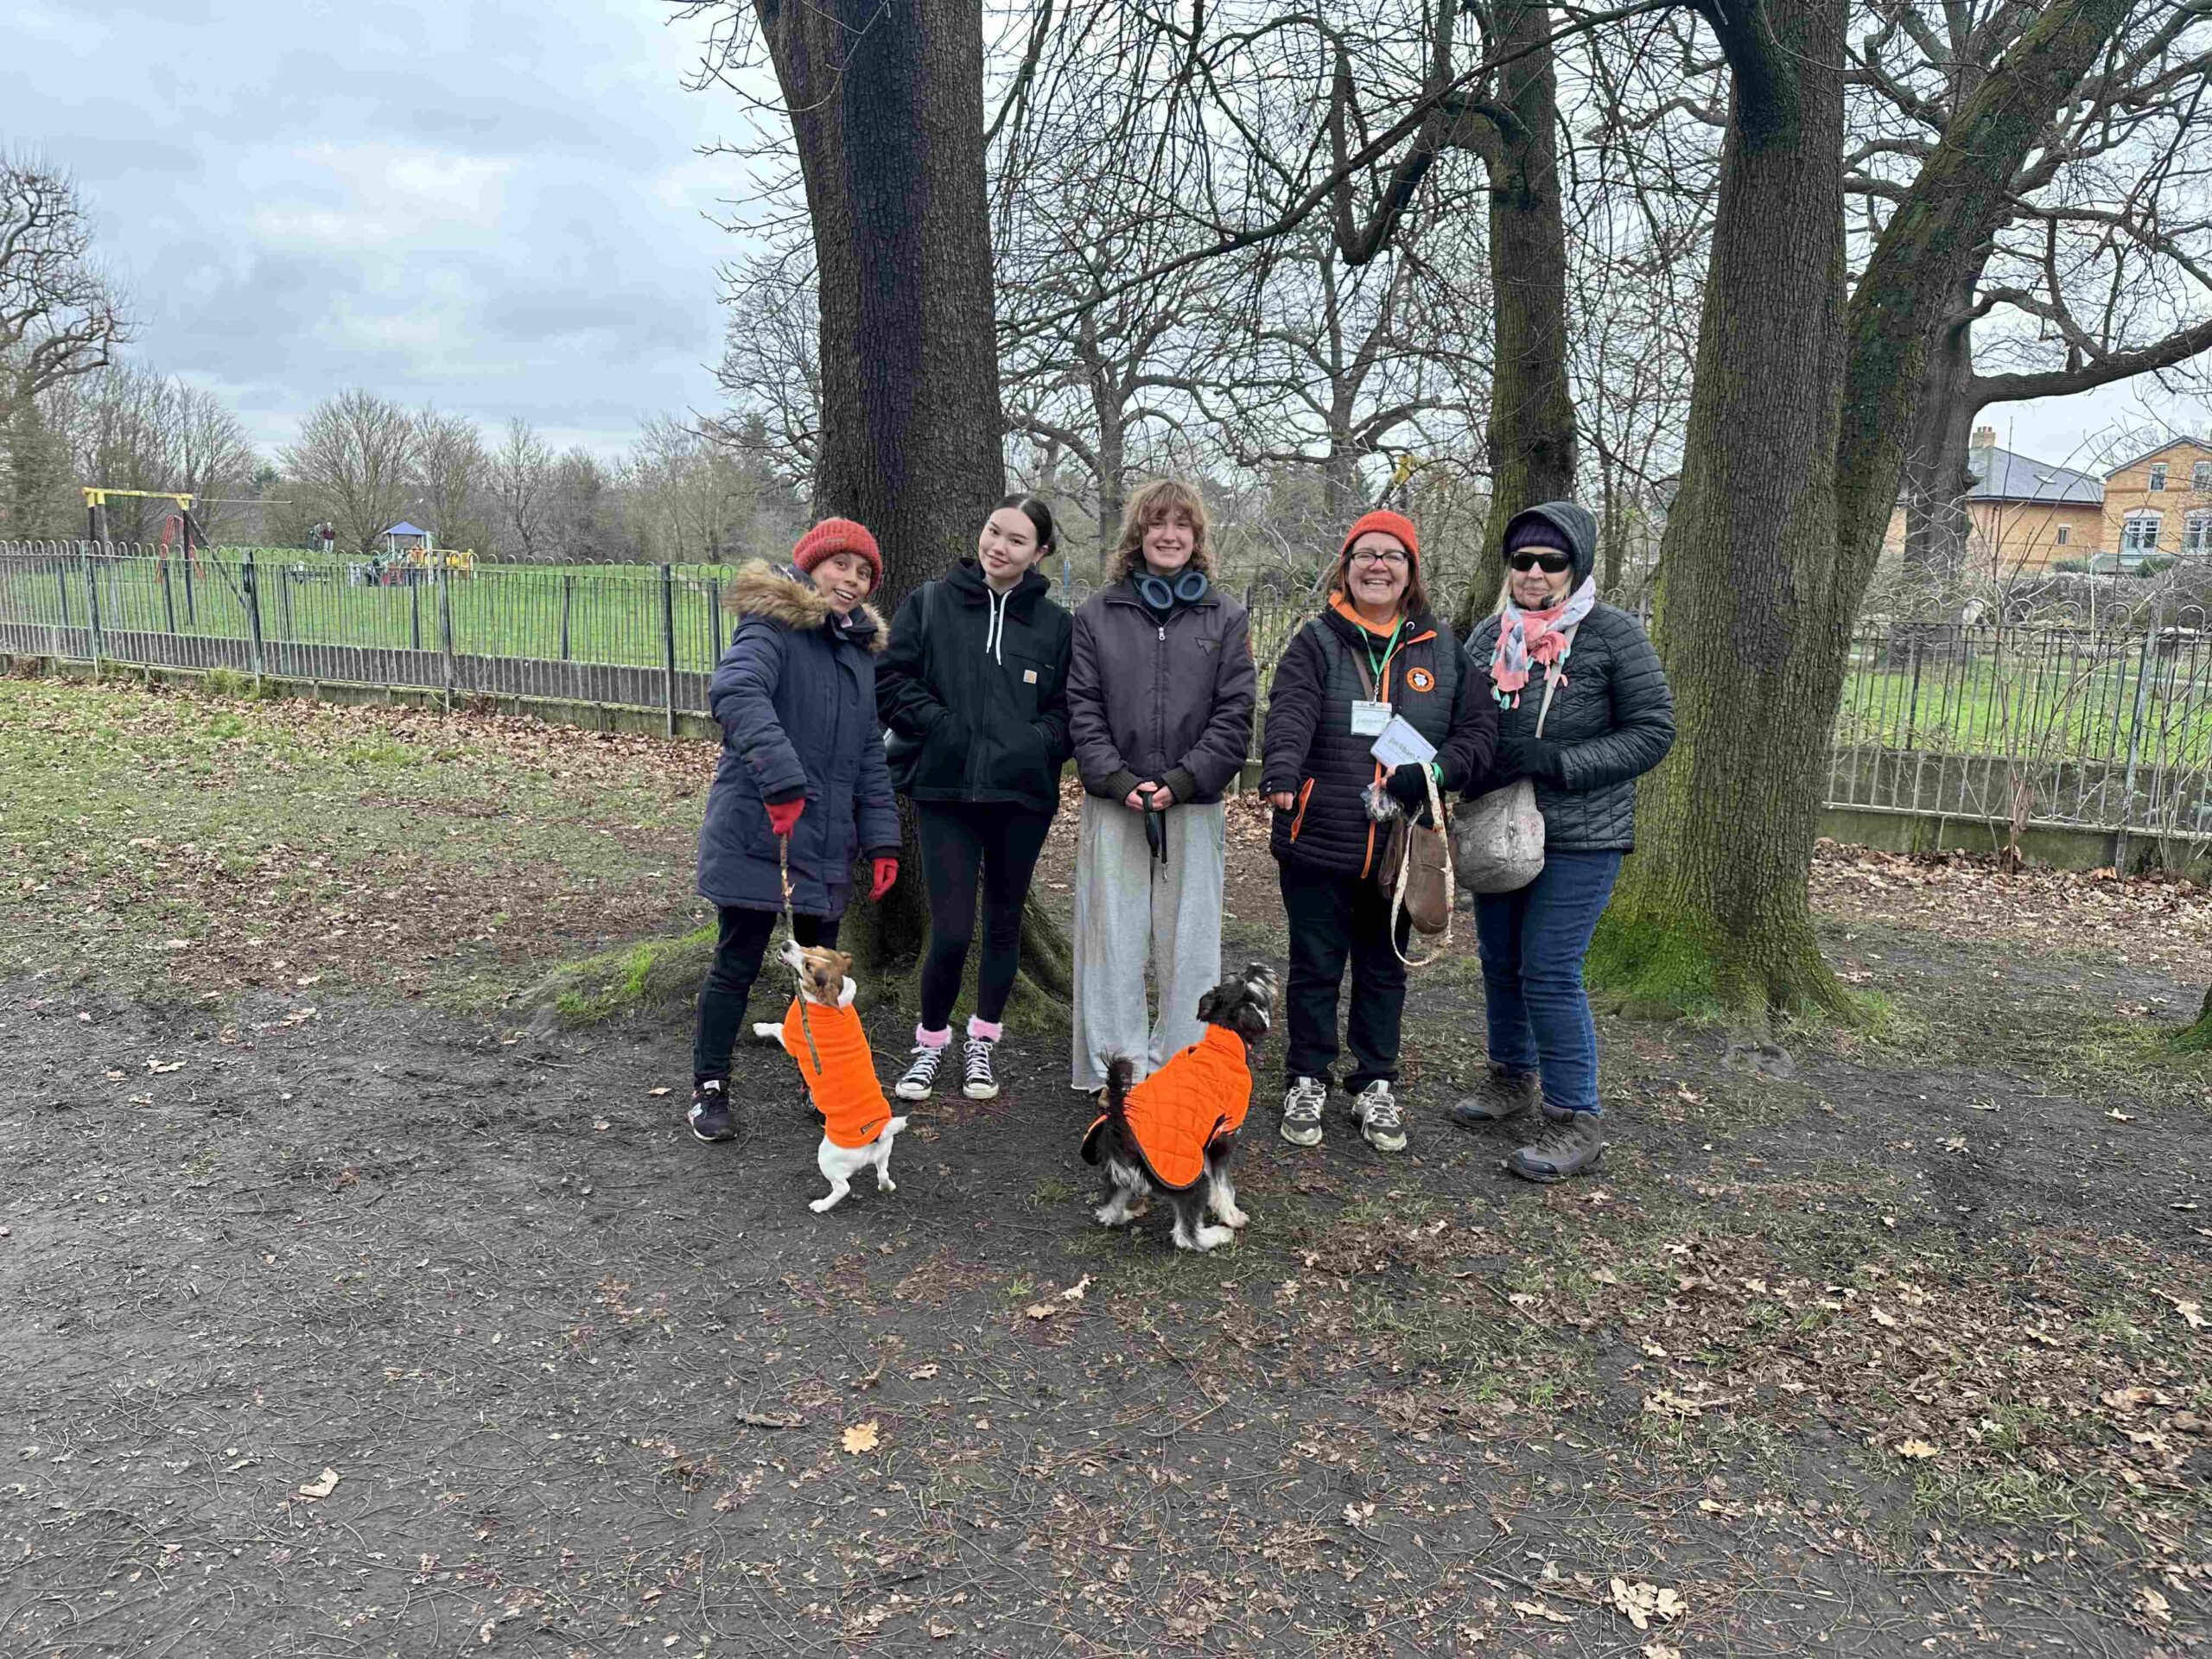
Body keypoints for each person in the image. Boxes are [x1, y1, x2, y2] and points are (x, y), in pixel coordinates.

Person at [1449, 502, 1675, 1180]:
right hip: (1498, 829)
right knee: (1500, 959)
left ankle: (1576, 1116)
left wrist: (1557, 762)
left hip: (1582, 833)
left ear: (1575, 569)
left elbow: (1654, 730)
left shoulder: (1613, 636)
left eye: (1552, 562)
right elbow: (1462, 722)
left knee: (1549, 969)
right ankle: (1512, 1076)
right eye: (1523, 561)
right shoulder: (1490, 638)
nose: (1536, 573)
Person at [1260, 510, 1495, 1152]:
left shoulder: (1442, 649)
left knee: (1384, 966)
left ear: (1411, 571)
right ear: (1347, 565)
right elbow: (1291, 711)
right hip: (1320, 830)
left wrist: (1437, 771)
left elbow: (1478, 730)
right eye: (1366, 554)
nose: (1378, 566)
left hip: (1402, 840)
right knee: (1314, 965)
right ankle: (1307, 1076)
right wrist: (1281, 768)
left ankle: (1374, 1085)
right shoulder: (1317, 640)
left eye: (1392, 556)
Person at [686, 519, 901, 1142]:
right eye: (841, 566)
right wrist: (782, 781)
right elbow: (735, 689)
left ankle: (822, 1078)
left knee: (822, 973)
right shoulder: (772, 625)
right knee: (739, 960)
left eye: (864, 574)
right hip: (763, 832)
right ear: (811, 566)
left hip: (827, 843)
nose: (852, 580)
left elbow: (866, 749)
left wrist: (882, 837)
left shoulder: (859, 655)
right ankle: (710, 1086)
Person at [876, 493, 1074, 1103]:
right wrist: (939, 724)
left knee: (1004, 924)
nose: (1000, 546)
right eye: (994, 531)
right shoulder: (930, 603)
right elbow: (890, 679)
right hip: (946, 793)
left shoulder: (1057, 625)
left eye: (1017, 540)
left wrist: (1032, 743)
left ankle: (983, 1041)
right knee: (953, 929)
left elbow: (1072, 710)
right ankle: (930, 1043)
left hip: (1022, 799)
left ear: (1039, 554)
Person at [1066, 480, 1256, 1094]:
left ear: (1197, 537)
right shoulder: (1097, 614)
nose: (1169, 535)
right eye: (1157, 524)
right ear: (1138, 535)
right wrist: (1118, 781)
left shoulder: (1226, 617)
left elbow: (1236, 714)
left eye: (1182, 525)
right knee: (1112, 943)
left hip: (1192, 804)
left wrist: (1181, 780)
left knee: (1191, 944)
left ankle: (1182, 1069)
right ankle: (1116, 1072)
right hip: (1115, 803)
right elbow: (1083, 708)